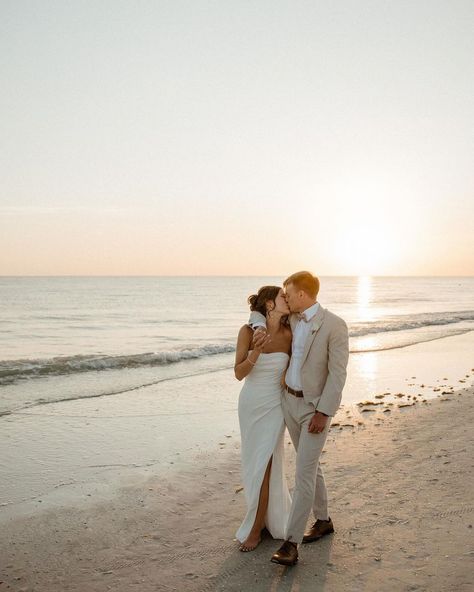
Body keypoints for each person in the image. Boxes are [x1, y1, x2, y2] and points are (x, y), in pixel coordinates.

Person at [249, 271, 349, 566]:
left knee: (303, 471)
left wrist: (324, 412)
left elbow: (338, 374)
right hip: (288, 402)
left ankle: (291, 544)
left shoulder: (335, 325)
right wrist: (256, 325)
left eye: (288, 293)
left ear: (302, 295)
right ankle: (324, 520)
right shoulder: (291, 319)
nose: (285, 297)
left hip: (313, 409)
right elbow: (259, 316)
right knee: (310, 463)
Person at [234, 286, 292, 552]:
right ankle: (266, 520)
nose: (288, 300)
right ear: (269, 304)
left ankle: (256, 529)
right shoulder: (248, 332)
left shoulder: (291, 333)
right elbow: (238, 373)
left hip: (275, 406)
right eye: (283, 297)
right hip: (251, 405)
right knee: (253, 464)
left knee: (266, 466)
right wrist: (255, 352)